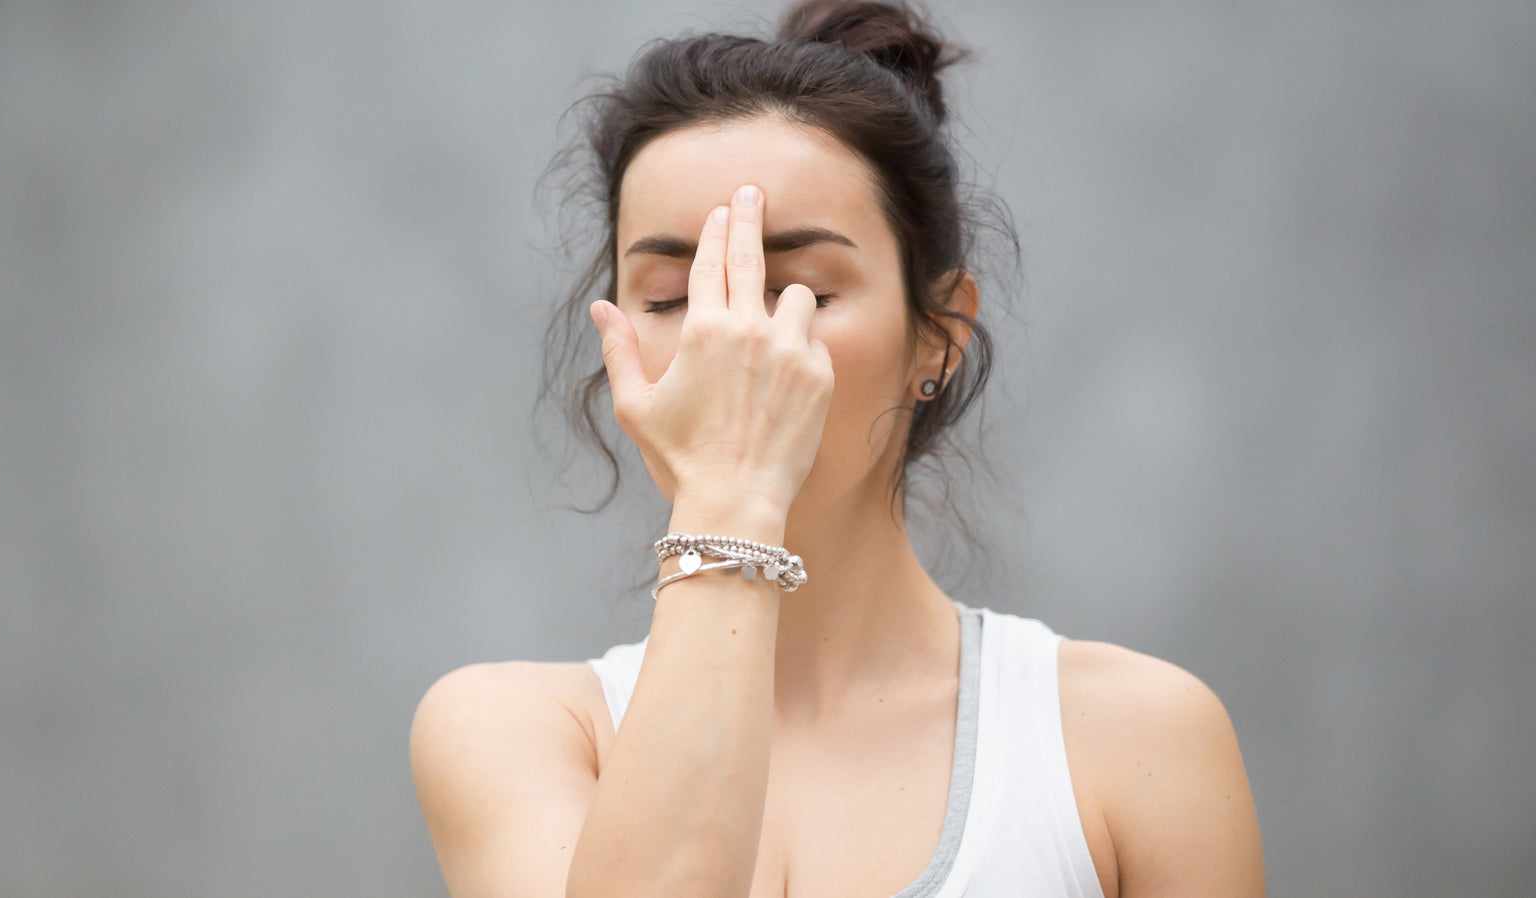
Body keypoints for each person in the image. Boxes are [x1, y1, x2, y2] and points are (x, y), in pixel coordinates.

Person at [409, 1, 1266, 895]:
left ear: (937, 336)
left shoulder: (1136, 739)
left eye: (804, 292)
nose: (731, 343)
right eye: (670, 298)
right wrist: (732, 497)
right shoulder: (516, 730)